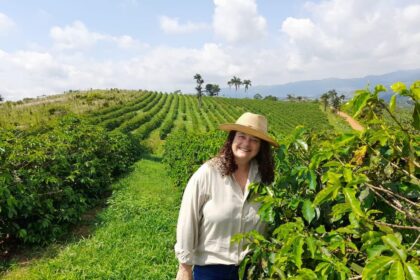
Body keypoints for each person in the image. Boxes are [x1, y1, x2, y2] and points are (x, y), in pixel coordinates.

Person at [174, 112, 278, 280]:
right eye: (241, 136)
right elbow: (188, 219)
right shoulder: (208, 173)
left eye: (254, 140)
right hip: (212, 270)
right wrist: (184, 268)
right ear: (232, 139)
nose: (246, 143)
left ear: (261, 147)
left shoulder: (263, 180)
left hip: (251, 270)